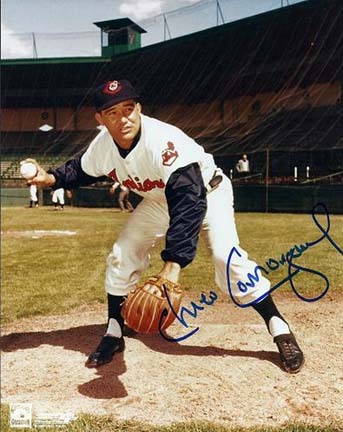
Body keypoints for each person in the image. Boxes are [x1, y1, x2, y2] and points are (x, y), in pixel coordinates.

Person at [24, 79, 304, 374]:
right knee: (123, 252)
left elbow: (189, 200)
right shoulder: (103, 146)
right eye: (112, 113)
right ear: (100, 120)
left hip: (207, 193)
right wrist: (50, 178)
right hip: (160, 202)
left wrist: (173, 264)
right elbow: (81, 169)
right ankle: (114, 332)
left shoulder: (162, 141)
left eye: (129, 109)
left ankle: (279, 327)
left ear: (139, 108)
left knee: (227, 258)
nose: (123, 118)